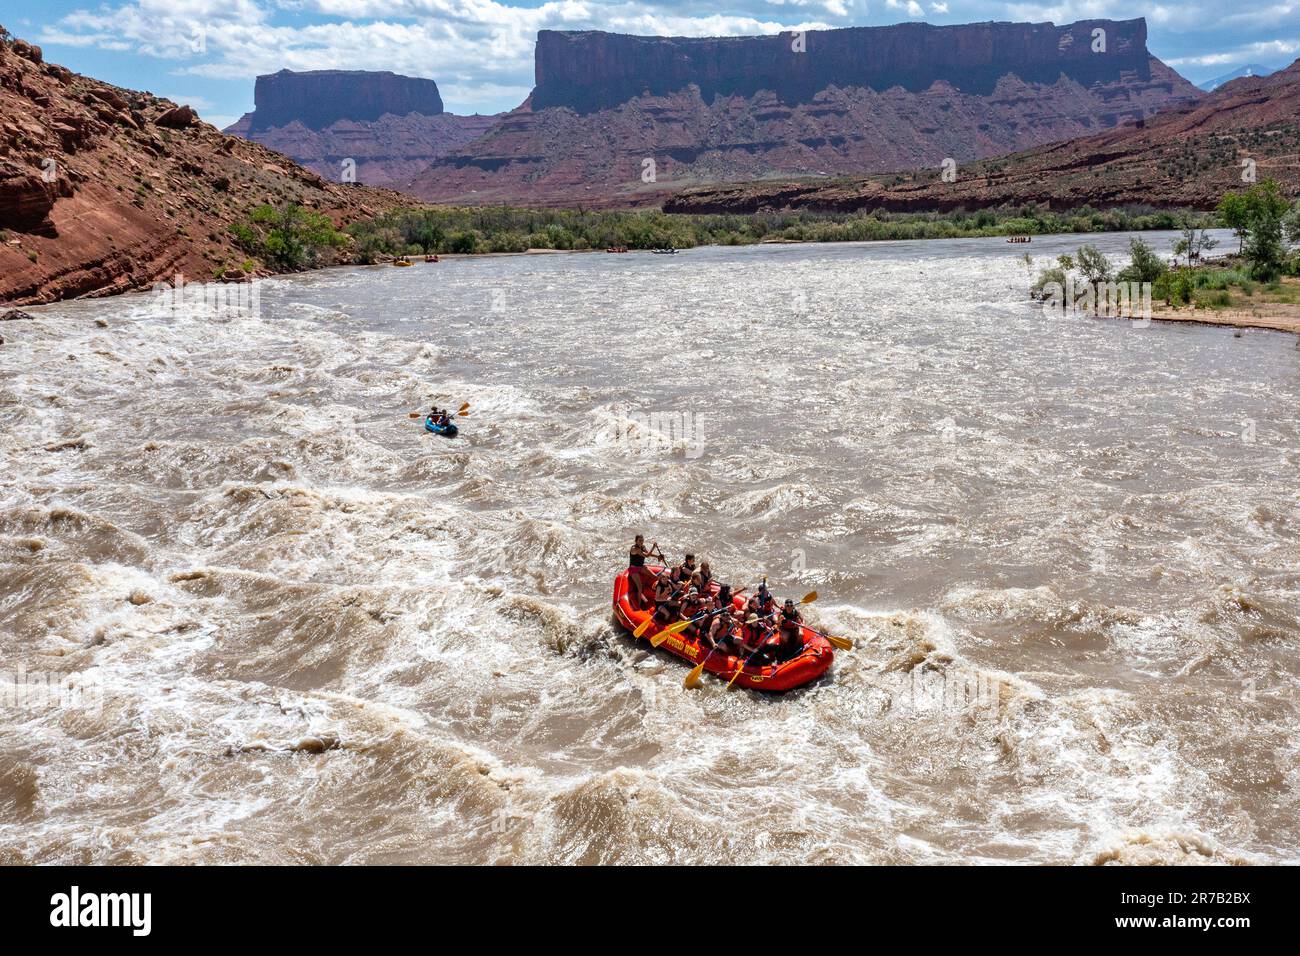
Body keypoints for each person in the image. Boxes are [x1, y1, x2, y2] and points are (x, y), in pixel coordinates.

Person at [628, 535, 662, 607]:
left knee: (655, 577)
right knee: (639, 587)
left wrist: (658, 556)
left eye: (642, 540)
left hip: (641, 567)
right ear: (636, 541)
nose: (641, 542)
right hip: (633, 569)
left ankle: (659, 594)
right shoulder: (635, 549)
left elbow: (649, 554)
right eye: (639, 540)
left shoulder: (643, 547)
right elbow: (646, 555)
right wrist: (653, 547)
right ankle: (639, 604)